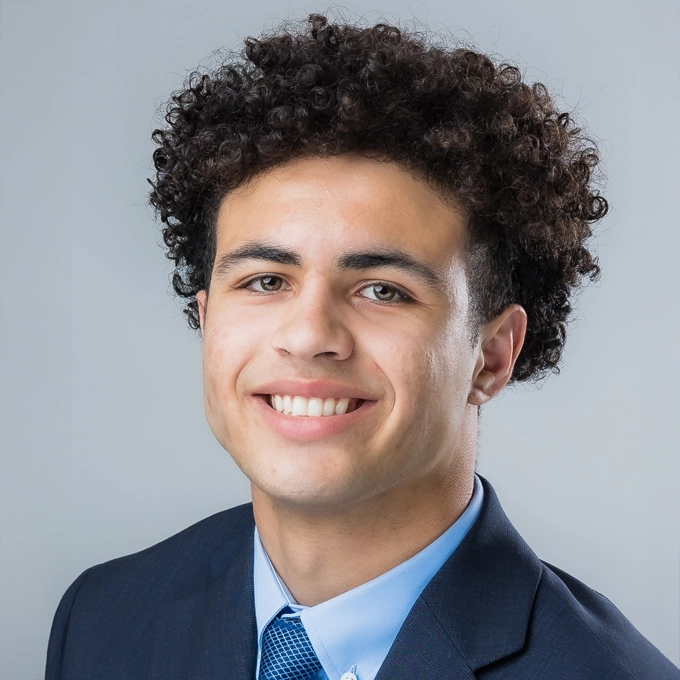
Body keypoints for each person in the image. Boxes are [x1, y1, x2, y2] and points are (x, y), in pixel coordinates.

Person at [45, 13, 678, 679]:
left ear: (491, 355)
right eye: (266, 281)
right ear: (207, 321)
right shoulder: (105, 619)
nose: (309, 336)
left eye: (382, 291)